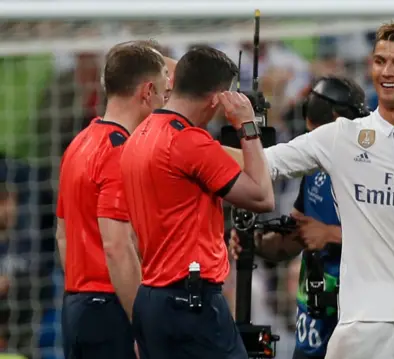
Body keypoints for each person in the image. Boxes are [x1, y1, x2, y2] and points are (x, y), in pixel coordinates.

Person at [226, 21, 394, 359]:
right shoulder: (341, 137)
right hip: (360, 326)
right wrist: (183, 142)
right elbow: (260, 162)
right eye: (379, 61)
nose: (386, 71)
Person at [120, 45, 274, 359]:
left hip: (151, 298)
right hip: (190, 302)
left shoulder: (138, 135)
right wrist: (247, 126)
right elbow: (262, 196)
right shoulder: (189, 141)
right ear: (218, 98)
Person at [229, 75, 369, 359]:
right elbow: (292, 239)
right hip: (314, 316)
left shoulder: (375, 173)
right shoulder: (314, 171)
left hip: (360, 316)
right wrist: (253, 242)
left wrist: (331, 235)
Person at [56, 43, 169, 359]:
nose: (166, 101)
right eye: (164, 91)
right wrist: (141, 323)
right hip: (111, 308)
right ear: (147, 91)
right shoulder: (120, 153)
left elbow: (63, 236)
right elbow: (117, 246)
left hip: (77, 307)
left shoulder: (79, 144)